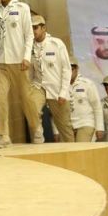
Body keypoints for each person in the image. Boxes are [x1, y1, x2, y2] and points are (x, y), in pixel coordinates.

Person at [0, 0, 40, 147]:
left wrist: (26, 57)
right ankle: (4, 135)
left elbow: (29, 35)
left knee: (25, 96)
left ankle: (36, 128)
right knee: (0, 97)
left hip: (19, 61)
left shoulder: (22, 8)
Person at [28, 15, 74, 143]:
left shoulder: (56, 44)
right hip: (39, 86)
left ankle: (72, 151)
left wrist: (63, 92)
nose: (33, 31)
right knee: (32, 110)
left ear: (43, 28)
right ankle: (38, 140)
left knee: (65, 127)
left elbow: (66, 69)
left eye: (35, 28)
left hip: (56, 90)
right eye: (31, 28)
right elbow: (30, 71)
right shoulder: (29, 47)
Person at [54, 57, 104, 143]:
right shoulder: (59, 86)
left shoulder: (87, 84)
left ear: (77, 69)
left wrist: (99, 128)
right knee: (68, 151)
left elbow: (97, 107)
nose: (69, 72)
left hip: (85, 123)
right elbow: (57, 111)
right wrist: (56, 131)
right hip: (67, 126)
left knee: (81, 149)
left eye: (71, 69)